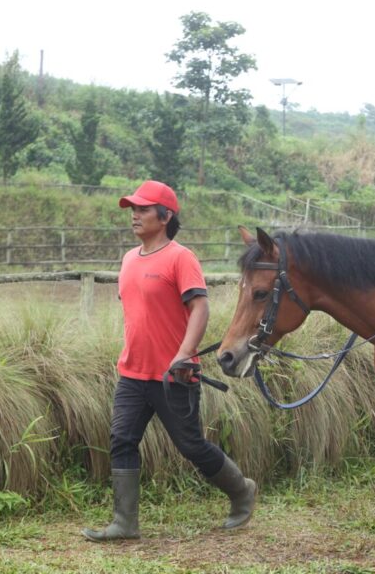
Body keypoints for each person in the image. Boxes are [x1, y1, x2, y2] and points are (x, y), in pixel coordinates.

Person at [83, 180, 256, 541]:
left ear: (165, 216)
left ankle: (241, 491)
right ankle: (124, 523)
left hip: (173, 374)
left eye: (143, 209)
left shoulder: (181, 257)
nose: (135, 214)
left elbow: (199, 307)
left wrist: (183, 354)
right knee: (121, 438)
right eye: (133, 208)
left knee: (191, 445)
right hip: (132, 373)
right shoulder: (129, 258)